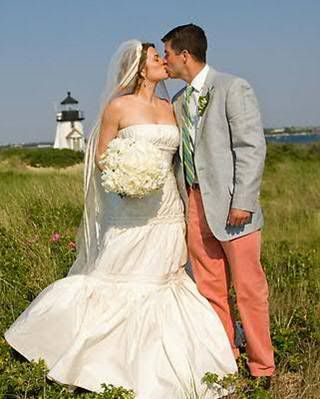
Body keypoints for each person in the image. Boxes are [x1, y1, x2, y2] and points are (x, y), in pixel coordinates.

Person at [5, 40, 237, 398]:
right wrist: (125, 176)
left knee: (163, 280)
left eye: (163, 56)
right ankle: (87, 358)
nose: (163, 61)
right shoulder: (118, 107)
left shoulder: (170, 106)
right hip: (129, 209)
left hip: (166, 211)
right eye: (156, 57)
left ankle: (166, 368)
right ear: (140, 68)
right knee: (116, 276)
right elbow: (100, 158)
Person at [162, 24, 275, 380]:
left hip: (233, 209)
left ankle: (262, 367)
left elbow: (251, 148)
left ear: (184, 55)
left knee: (248, 289)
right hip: (194, 205)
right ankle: (225, 358)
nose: (164, 62)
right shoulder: (178, 102)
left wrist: (243, 200)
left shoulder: (232, 87)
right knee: (209, 289)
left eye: (167, 54)